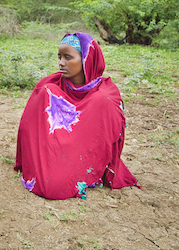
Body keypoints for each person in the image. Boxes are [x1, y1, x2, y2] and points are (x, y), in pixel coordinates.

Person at [14, 32, 138, 200]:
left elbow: (103, 142)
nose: (61, 63)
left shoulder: (105, 98)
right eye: (59, 57)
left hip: (82, 157)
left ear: (86, 59)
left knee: (57, 186)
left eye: (68, 57)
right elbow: (29, 133)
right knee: (50, 185)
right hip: (52, 155)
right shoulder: (48, 89)